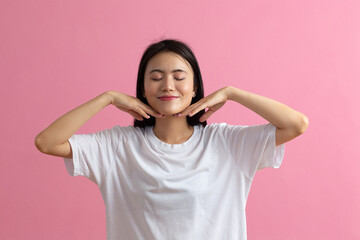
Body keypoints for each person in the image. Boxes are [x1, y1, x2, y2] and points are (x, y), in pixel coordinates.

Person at [35, 39, 309, 240]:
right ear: (143, 88)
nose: (167, 85)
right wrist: (107, 98)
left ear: (195, 88)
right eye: (156, 78)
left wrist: (231, 93)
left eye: (179, 77)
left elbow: (296, 124)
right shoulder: (118, 146)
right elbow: (47, 142)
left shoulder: (226, 142)